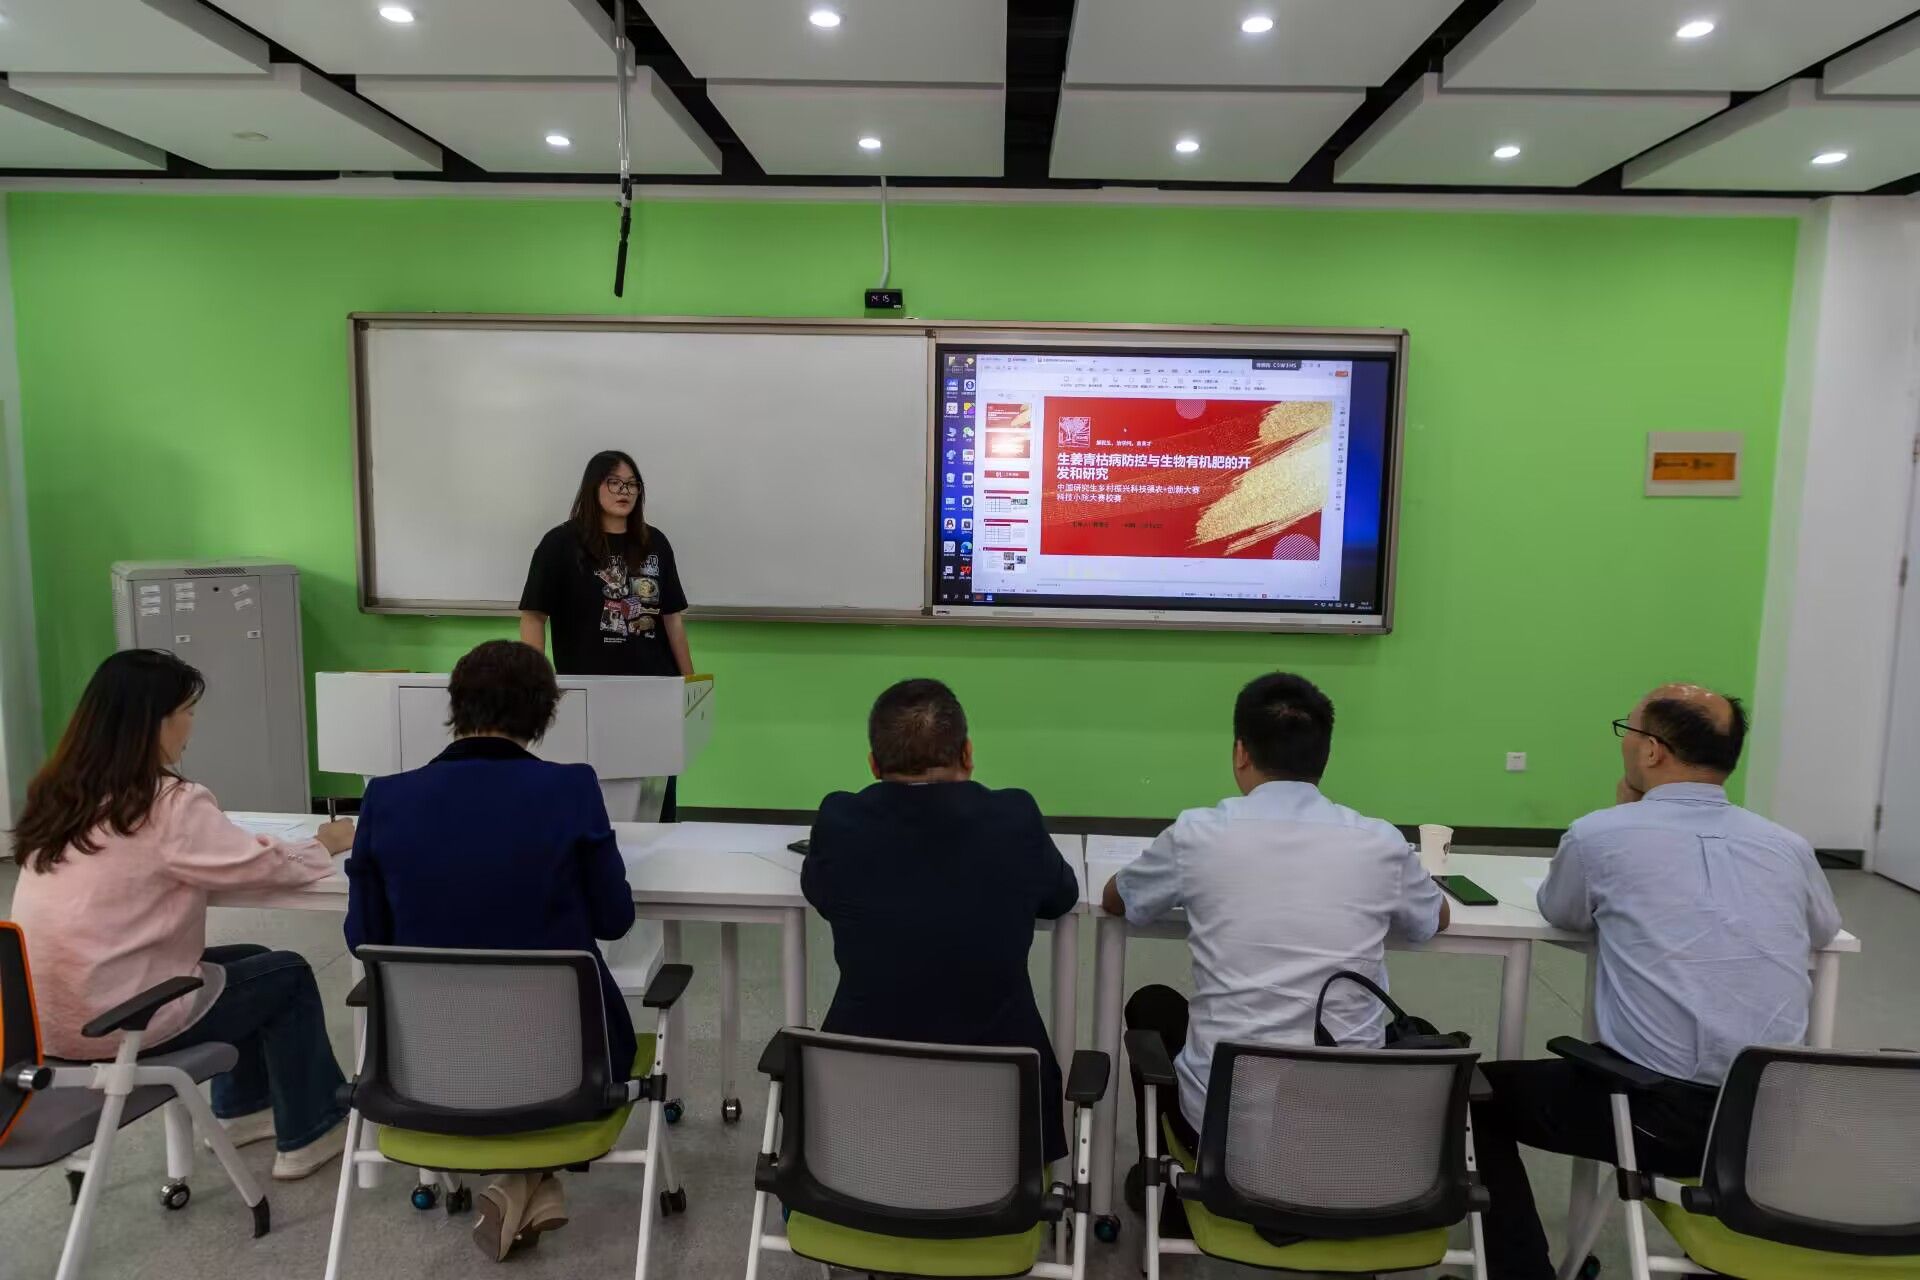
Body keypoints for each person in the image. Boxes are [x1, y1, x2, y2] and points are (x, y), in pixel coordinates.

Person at [1472, 683, 1843, 1280]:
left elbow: (1563, 910)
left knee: (1471, 1097)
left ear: (1651, 751)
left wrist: (1624, 816)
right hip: (1769, 1125)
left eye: (1628, 731)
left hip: (1656, 1118)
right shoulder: (1788, 846)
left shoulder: (1601, 835)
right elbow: (1823, 930)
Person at [8, 649, 357, 1180]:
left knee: (253, 959)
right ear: (155, 722)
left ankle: (243, 1111)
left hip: (42, 1023)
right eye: (187, 712)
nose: (192, 725)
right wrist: (326, 841)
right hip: (119, 1023)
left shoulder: (57, 795)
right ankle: (311, 1131)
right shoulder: (168, 802)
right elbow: (261, 867)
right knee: (287, 974)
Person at [1101, 672, 1447, 1206]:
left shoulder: (1198, 834)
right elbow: (1433, 919)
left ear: (1241, 753)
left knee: (1154, 1006)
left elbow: (1118, 900)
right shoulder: (1379, 842)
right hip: (1348, 1123)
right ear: (1323, 757)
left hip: (1227, 1125)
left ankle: (1170, 1196)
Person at [344, 638, 637, 1262]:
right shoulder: (571, 789)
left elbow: (361, 938)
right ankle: (528, 1178)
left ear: (455, 707)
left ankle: (524, 1181)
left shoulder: (386, 798)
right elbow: (615, 920)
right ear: (543, 713)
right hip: (569, 1062)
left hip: (428, 1064)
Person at [803, 678, 1081, 1164]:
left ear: (873, 765)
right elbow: (1061, 897)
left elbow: (821, 893)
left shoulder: (840, 820)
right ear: (967, 755)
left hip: (860, 1118)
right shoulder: (1014, 817)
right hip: (1002, 1125)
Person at [518, 450, 691, 820]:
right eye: (614, 482)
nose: (624, 492)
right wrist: (537, 682)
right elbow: (533, 617)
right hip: (587, 692)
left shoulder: (655, 543)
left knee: (655, 801)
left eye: (631, 484)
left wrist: (689, 683)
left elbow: (672, 619)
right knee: (588, 795)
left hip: (653, 690)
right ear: (593, 487)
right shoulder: (560, 544)